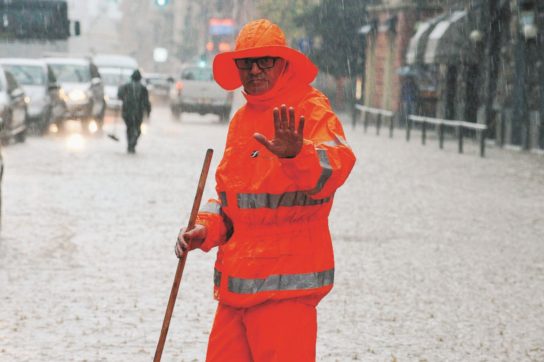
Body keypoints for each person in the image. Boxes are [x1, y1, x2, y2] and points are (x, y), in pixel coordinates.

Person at [175, 19, 356, 361]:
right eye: (246, 62)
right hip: (236, 291)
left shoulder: (310, 107)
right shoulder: (242, 120)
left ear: (283, 62)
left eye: (265, 61)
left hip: (284, 295)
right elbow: (233, 200)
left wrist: (296, 153)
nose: (255, 70)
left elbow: (337, 165)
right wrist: (205, 229)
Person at [117, 69, 151, 154]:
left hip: (127, 112)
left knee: (129, 128)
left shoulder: (126, 86)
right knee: (137, 129)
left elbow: (119, 96)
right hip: (137, 112)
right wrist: (148, 112)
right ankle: (132, 143)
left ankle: (130, 143)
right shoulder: (143, 88)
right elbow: (146, 102)